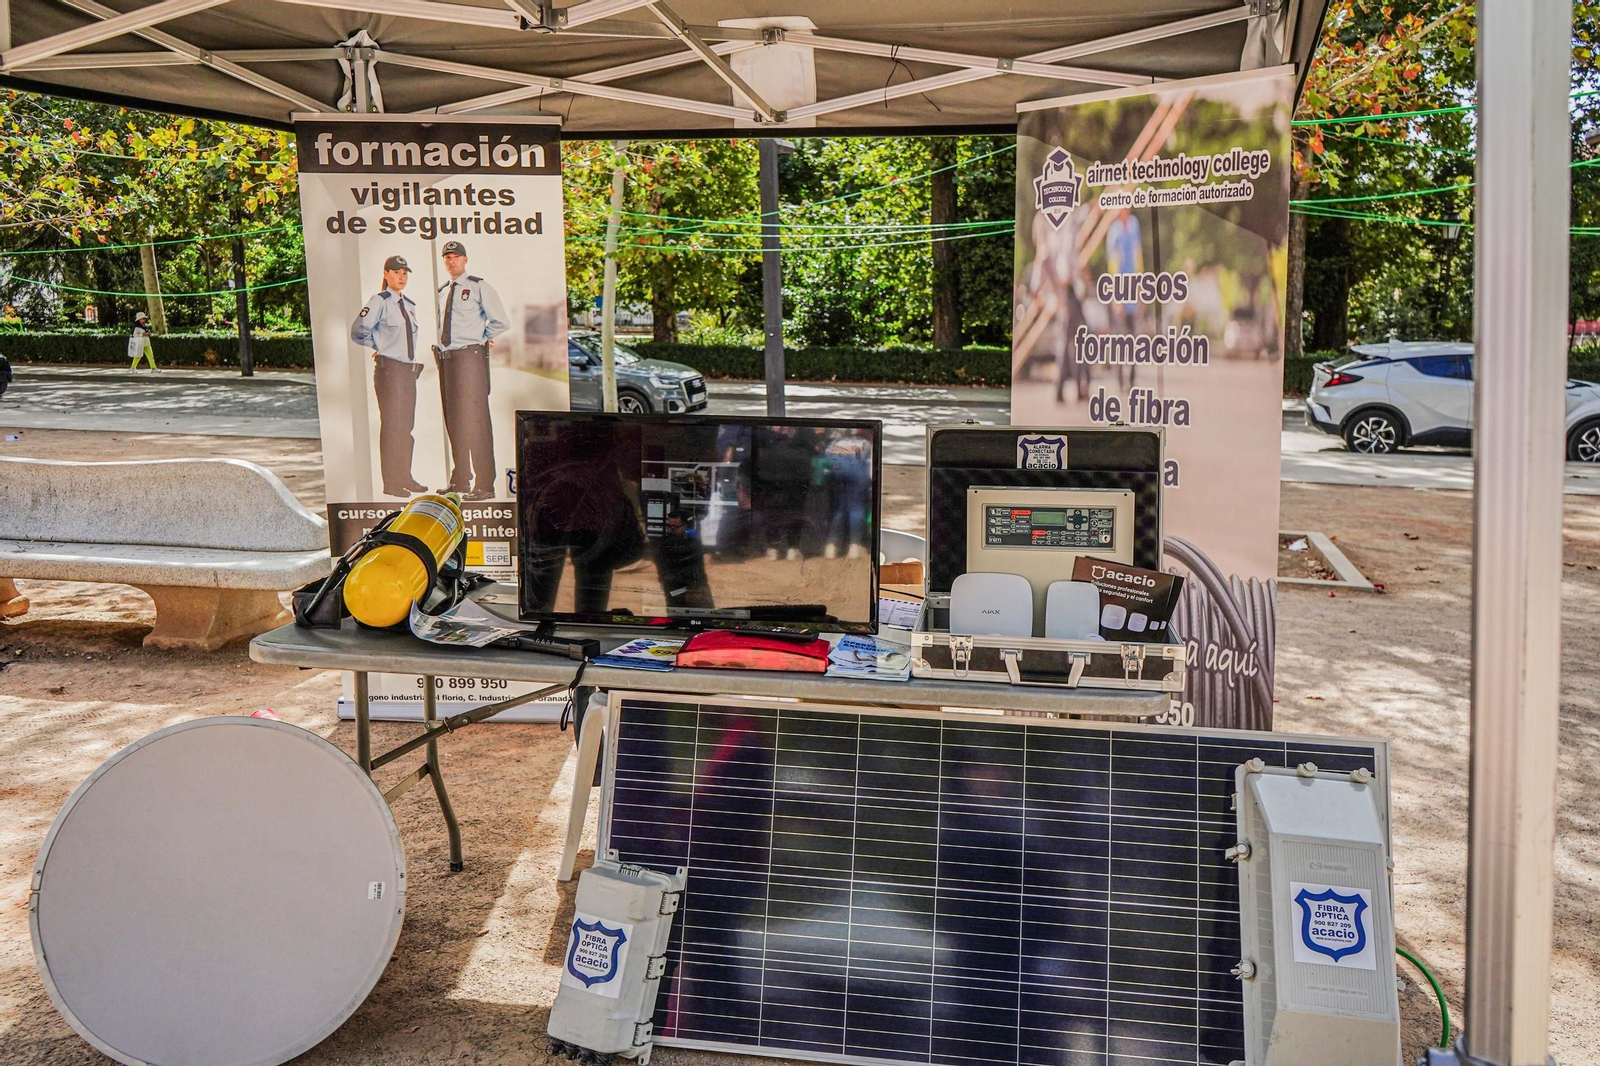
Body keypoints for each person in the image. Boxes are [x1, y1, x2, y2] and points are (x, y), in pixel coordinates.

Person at [433, 241, 509, 501]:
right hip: (447, 360)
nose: (451, 261)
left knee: (476, 421)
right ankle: (461, 479)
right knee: (454, 421)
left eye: (456, 256)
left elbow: (501, 321)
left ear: (465, 259)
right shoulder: (442, 291)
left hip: (469, 359)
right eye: (447, 257)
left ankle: (485, 484)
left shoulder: (478, 287)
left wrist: (481, 339)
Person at [350, 255, 427, 498]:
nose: (401, 276)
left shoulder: (409, 305)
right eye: (396, 272)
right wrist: (379, 345)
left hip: (407, 372)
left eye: (405, 272)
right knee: (392, 426)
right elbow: (358, 331)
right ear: (386, 274)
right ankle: (391, 483)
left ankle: (405, 477)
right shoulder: (379, 301)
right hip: (389, 371)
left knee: (406, 427)